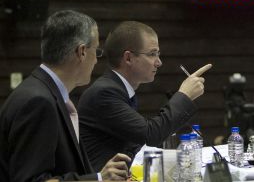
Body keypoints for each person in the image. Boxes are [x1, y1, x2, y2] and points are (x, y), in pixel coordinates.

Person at [0, 10, 130, 182]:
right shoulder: (38, 101)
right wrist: (98, 179)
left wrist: (102, 174)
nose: (97, 60)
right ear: (82, 51)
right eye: (96, 51)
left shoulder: (42, 91)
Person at [77, 21, 212, 171]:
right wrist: (184, 95)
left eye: (158, 54)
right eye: (152, 54)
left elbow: (136, 141)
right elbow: (150, 134)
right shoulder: (105, 93)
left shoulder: (119, 89)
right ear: (128, 58)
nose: (159, 62)